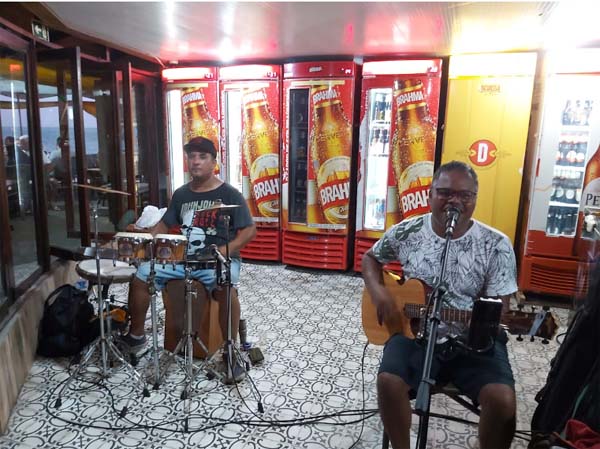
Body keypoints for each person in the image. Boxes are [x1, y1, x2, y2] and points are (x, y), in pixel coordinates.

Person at [362, 161, 517, 449]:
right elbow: (370, 258)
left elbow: (501, 307)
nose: (454, 201)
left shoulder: (496, 244)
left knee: (503, 400)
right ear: (430, 195)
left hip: (472, 340)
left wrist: (489, 318)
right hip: (415, 337)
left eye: (464, 195)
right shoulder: (407, 231)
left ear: (475, 199)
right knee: (388, 381)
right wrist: (378, 292)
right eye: (445, 192)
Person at [121, 136, 256, 383]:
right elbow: (164, 225)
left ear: (214, 162)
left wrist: (225, 250)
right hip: (183, 258)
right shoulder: (181, 194)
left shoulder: (229, 194)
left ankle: (230, 352)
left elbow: (249, 230)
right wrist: (147, 241)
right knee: (141, 276)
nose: (196, 162)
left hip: (217, 260)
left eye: (202, 157)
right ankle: (136, 336)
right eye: (192, 156)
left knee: (226, 288)